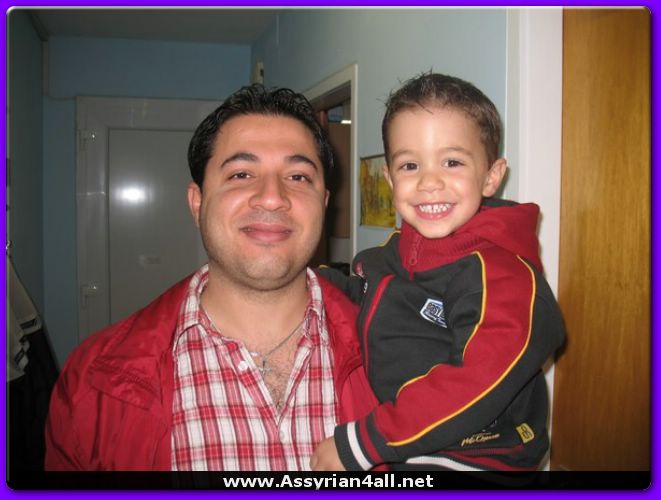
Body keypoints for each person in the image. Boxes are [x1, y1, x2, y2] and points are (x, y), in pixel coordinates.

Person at [44, 84, 377, 471]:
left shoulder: (399, 352)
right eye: (241, 174)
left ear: (323, 203)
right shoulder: (92, 384)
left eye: (298, 177)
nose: (272, 197)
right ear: (197, 202)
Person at [311, 73, 565, 471]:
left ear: (492, 176)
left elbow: (476, 380)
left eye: (452, 162)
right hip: (409, 440)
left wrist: (365, 442)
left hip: (477, 455)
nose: (429, 182)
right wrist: (306, 278)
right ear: (390, 179)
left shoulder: (502, 275)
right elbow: (362, 293)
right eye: (410, 165)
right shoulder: (389, 255)